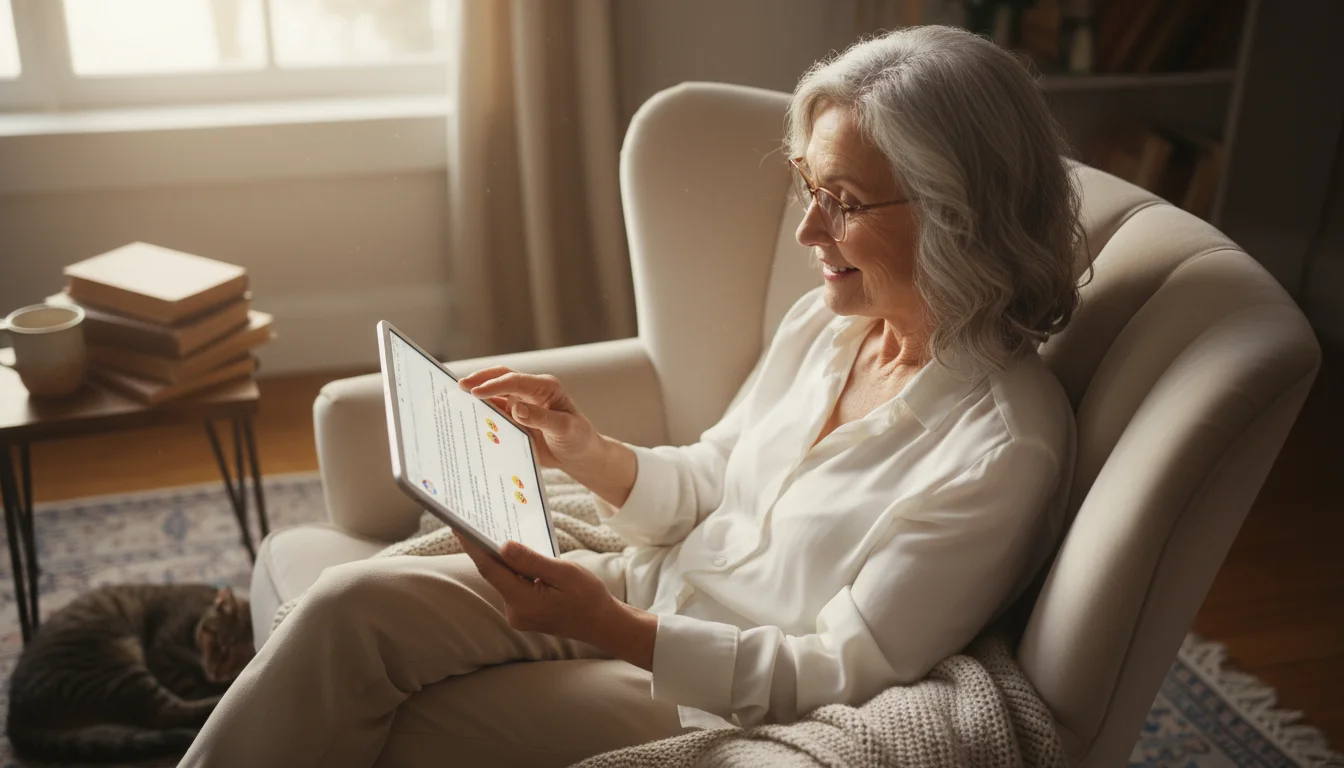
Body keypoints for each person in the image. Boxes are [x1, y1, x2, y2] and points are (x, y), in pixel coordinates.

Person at [180, 24, 1085, 768]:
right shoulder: (831, 326)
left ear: (957, 213)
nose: (808, 229)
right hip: (648, 589)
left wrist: (610, 627)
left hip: (707, 699)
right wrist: (586, 449)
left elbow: (843, 670)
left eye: (842, 199)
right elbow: (717, 474)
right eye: (808, 187)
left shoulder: (1005, 447)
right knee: (348, 608)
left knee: (415, 732)